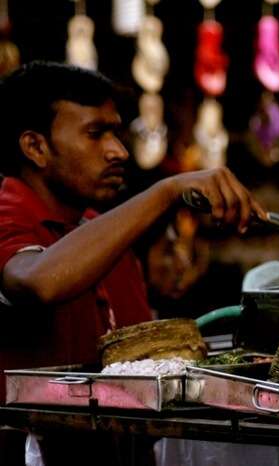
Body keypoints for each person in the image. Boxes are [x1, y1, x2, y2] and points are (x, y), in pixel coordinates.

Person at [0, 62, 264, 465]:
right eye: (95, 134)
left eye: (117, 133)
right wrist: (166, 192)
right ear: (35, 147)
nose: (118, 151)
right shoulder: (7, 213)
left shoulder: (105, 239)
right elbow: (38, 281)